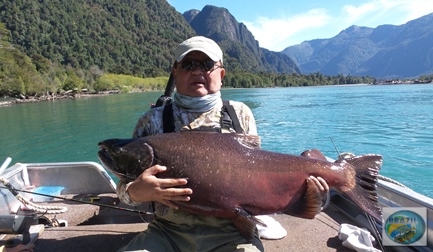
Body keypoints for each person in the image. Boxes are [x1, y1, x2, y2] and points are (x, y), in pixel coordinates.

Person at [116, 36, 329, 252]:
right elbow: (123, 190)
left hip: (232, 234)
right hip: (167, 232)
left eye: (207, 65)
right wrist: (137, 191)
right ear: (175, 72)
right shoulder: (151, 120)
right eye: (188, 65)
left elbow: (257, 176)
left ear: (222, 74)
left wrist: (309, 194)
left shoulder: (240, 114)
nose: (197, 71)